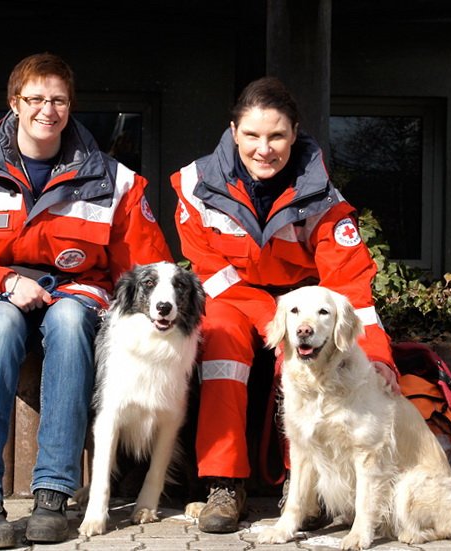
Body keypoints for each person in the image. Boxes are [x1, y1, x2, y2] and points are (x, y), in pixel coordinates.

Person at [0, 52, 172, 548]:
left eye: (57, 99)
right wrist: (4, 283)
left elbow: (145, 270)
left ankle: (53, 494)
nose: (46, 110)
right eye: (35, 99)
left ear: (70, 105)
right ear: (15, 103)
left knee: (72, 319)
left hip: (76, 295)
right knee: (1, 326)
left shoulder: (114, 182)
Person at [170, 76, 399, 534]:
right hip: (235, 299)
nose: (264, 148)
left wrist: (376, 356)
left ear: (295, 133)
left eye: (276, 135)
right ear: (233, 132)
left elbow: (350, 287)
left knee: (302, 358)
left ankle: (303, 488)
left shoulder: (324, 200)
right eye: (252, 135)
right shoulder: (194, 186)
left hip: (305, 304)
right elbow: (213, 274)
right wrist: (272, 321)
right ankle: (223, 483)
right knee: (222, 342)